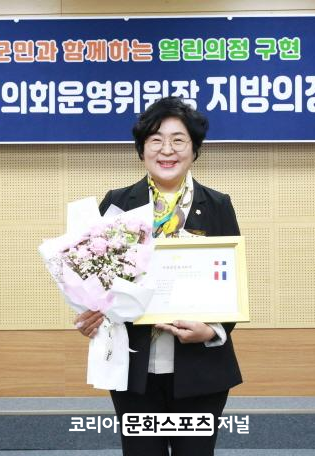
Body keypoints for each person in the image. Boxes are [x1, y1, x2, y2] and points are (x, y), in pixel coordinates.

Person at [74, 96, 242, 456]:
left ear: (194, 149)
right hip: (134, 371)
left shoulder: (217, 205)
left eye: (178, 140)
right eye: (156, 140)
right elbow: (97, 282)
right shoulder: (117, 203)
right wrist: (91, 316)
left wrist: (212, 331)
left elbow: (232, 288)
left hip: (201, 370)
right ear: (142, 149)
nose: (167, 150)